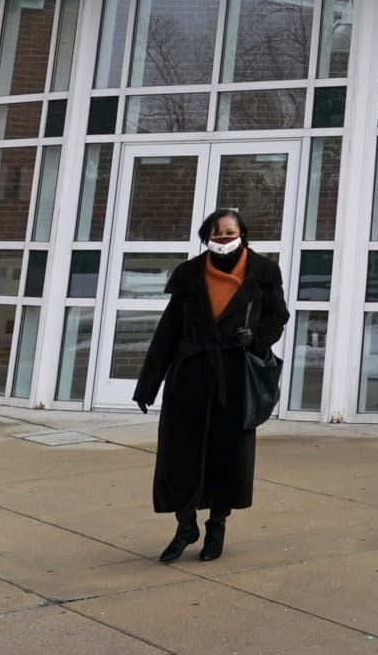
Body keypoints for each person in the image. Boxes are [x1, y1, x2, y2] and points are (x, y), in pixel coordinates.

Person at [132, 208, 288, 564]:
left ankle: (217, 525)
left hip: (233, 381)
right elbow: (168, 332)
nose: (224, 240)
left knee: (226, 458)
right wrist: (147, 385)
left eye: (230, 233)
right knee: (179, 456)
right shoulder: (189, 275)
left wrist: (257, 339)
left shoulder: (263, 272)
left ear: (242, 235)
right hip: (189, 378)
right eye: (217, 235)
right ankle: (185, 525)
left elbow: (278, 315)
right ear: (207, 237)